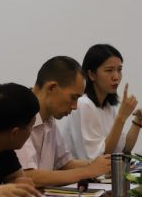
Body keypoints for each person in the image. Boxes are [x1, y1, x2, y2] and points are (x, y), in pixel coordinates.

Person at [15, 56, 111, 187]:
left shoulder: (49, 119)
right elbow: (28, 176)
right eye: (73, 97)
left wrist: (101, 166)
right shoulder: (19, 113)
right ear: (51, 88)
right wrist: (88, 171)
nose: (75, 106)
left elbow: (64, 164)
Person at [60, 44, 142, 160]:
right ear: (92, 75)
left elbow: (124, 149)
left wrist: (137, 121)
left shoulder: (108, 107)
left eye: (119, 70)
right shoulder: (84, 105)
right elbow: (99, 159)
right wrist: (121, 117)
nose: (116, 77)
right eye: (109, 70)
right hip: (78, 172)